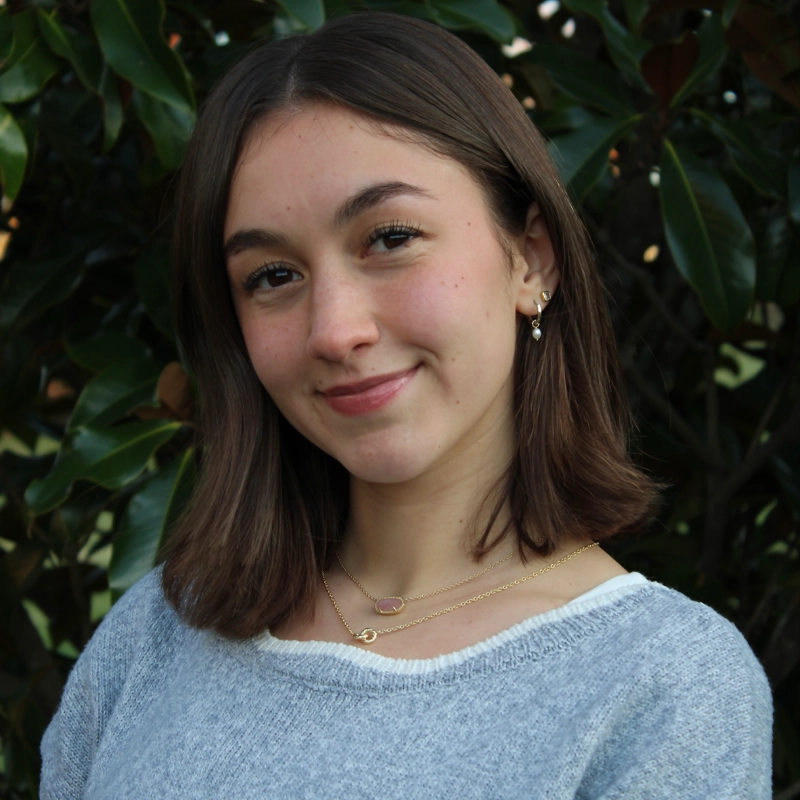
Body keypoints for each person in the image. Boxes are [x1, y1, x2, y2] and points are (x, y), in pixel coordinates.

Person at [40, 12, 772, 799]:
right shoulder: (159, 633)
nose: (335, 331)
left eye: (389, 238)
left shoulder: (662, 687)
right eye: (273, 277)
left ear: (530, 259)